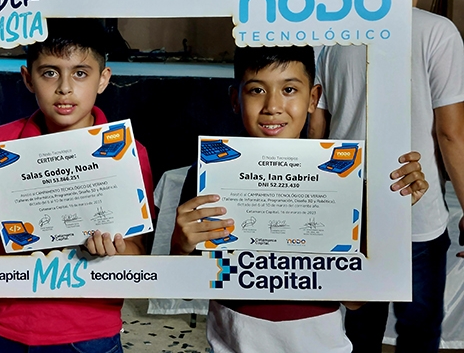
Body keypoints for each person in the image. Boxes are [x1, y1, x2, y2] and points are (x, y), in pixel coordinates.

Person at [0, 18, 155, 352]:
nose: (65, 88)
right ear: (28, 78)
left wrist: (113, 248)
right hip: (3, 327)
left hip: (87, 333)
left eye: (80, 73)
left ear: (103, 79)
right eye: (50, 73)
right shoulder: (1, 143)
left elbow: (139, 252)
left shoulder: (128, 152)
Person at [171, 45, 428, 353]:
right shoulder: (207, 177)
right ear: (235, 100)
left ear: (313, 98)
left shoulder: (341, 184)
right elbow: (184, 289)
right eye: (256, 90)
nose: (273, 106)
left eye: (289, 89)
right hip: (230, 344)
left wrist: (390, 212)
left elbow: (355, 299)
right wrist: (181, 246)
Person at [309, 0, 464, 353]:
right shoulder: (438, 32)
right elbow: (450, 134)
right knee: (418, 332)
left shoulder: (332, 37)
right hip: (414, 207)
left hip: (347, 206)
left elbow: (317, 130)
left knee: (358, 331)